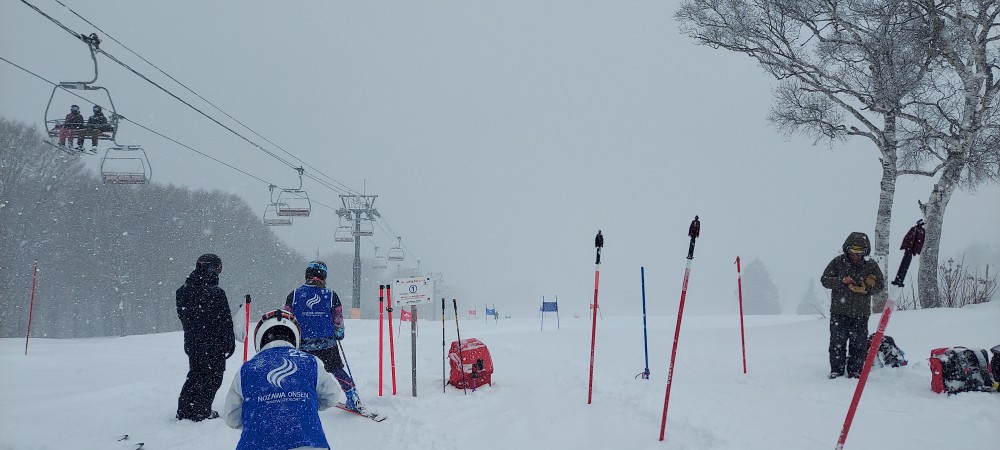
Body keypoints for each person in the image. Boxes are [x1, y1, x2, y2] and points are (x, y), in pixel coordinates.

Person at [224, 309, 339, 450]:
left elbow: (231, 418)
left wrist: (258, 417)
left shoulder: (246, 370)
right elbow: (332, 396)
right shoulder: (310, 362)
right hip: (310, 444)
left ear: (260, 338)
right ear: (294, 336)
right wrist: (309, 403)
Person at [284, 261, 367, 413]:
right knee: (337, 369)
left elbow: (287, 318)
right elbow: (338, 318)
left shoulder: (294, 295)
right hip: (326, 343)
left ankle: (295, 398)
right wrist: (339, 333)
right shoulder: (330, 295)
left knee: (298, 371)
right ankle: (353, 397)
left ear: (307, 275)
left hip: (302, 344)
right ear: (324, 276)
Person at [176, 253, 235, 421]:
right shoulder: (216, 293)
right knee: (213, 378)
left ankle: (185, 409)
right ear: (210, 268)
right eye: (218, 269)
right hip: (213, 344)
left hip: (193, 343)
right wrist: (229, 343)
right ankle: (201, 411)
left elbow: (184, 317)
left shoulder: (183, 291)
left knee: (195, 375)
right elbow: (225, 322)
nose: (218, 274)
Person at [820, 232, 885, 379]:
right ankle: (836, 370)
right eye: (853, 251)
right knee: (837, 342)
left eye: (860, 252)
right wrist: (841, 281)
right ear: (846, 249)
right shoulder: (838, 262)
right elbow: (824, 280)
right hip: (839, 311)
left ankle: (855, 370)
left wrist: (866, 289)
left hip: (861, 313)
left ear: (865, 251)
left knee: (859, 344)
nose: (855, 255)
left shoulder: (871, 265)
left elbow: (880, 285)